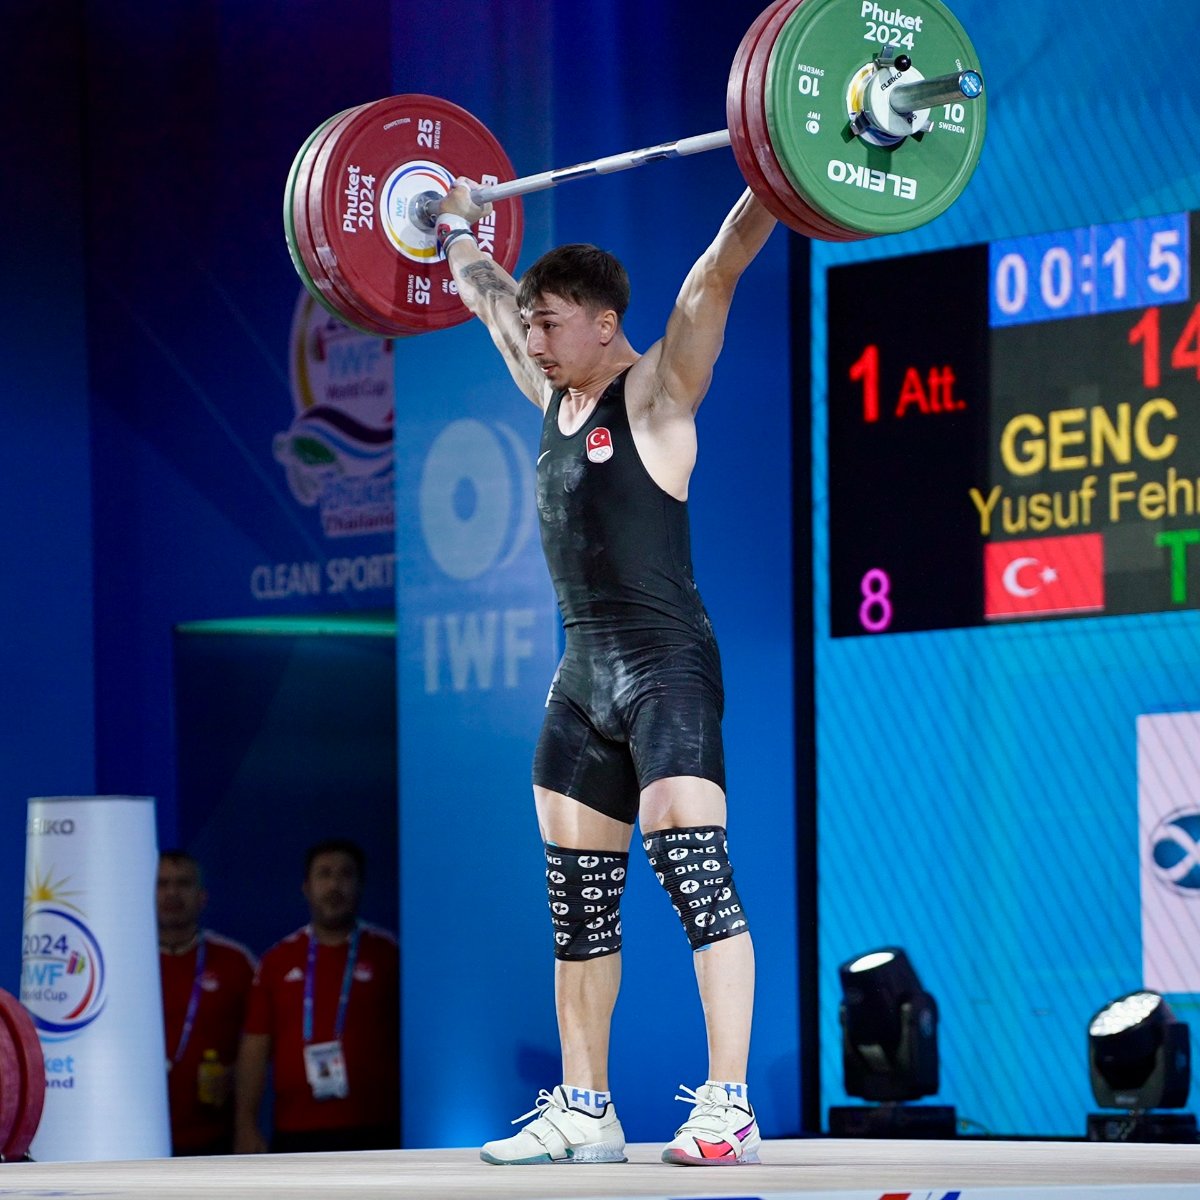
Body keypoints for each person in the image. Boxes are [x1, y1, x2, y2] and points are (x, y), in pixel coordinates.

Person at [435, 182, 777, 1166]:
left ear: (604, 323)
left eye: (551, 325)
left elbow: (721, 264)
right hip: (581, 678)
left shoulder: (660, 390)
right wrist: (456, 225)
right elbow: (488, 295)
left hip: (668, 670)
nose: (533, 339)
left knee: (696, 878)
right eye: (533, 326)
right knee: (578, 904)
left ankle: (729, 1106)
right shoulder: (551, 389)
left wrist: (771, 164)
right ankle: (587, 1111)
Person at [233, 838, 399, 1153]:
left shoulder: (389, 954)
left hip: (375, 1128)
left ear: (361, 885)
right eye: (324, 874)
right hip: (296, 1129)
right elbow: (255, 1047)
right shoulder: (276, 961)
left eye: (345, 875)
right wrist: (246, 1123)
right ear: (306, 887)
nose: (334, 885)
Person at [156, 850, 257, 1156]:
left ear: (202, 897)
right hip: (137, 1134)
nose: (172, 892)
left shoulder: (236, 961)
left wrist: (234, 1074)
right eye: (162, 884)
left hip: (214, 1136)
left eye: (183, 883)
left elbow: (264, 1045)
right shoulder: (123, 962)